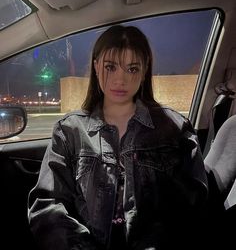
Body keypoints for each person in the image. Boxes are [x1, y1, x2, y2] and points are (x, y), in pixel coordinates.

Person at [28, 24, 208, 250]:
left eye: (132, 69)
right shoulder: (69, 131)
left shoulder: (174, 129)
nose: (120, 80)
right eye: (110, 67)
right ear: (96, 67)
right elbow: (48, 205)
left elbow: (192, 207)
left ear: (144, 71)